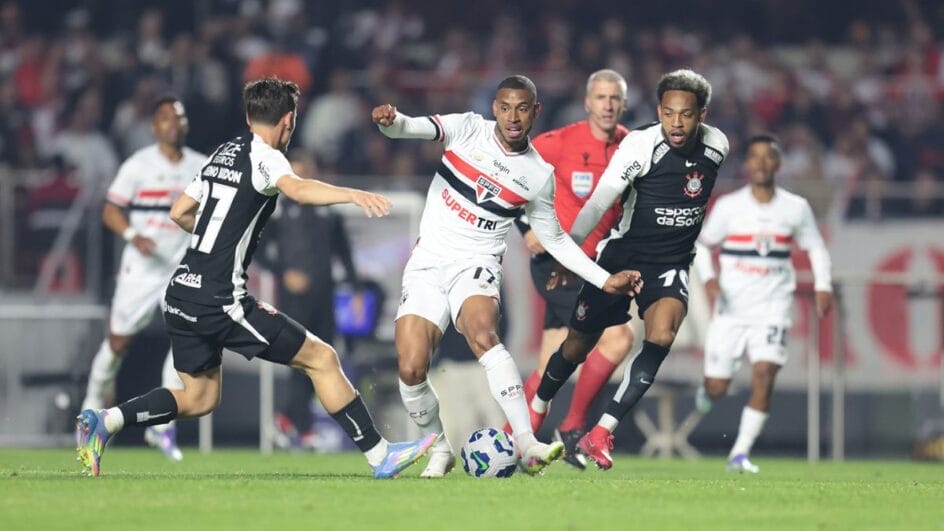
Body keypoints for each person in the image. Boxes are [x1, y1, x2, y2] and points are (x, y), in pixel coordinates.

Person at [75, 78, 437, 478]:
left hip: (181, 292)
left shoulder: (223, 152)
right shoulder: (268, 157)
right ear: (289, 121)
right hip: (220, 300)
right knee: (322, 358)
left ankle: (105, 421)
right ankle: (380, 454)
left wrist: (218, 239)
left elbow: (179, 212)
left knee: (199, 397)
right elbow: (298, 189)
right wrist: (353, 194)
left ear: (249, 118)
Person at [372, 75, 642, 478]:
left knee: (484, 334)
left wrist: (604, 280)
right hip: (427, 263)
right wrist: (390, 121)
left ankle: (527, 443)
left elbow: (556, 240)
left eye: (522, 108)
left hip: (477, 264)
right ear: (494, 109)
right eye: (505, 107)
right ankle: (440, 449)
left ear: (535, 112)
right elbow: (408, 127)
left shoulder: (538, 174)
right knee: (411, 369)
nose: (513, 117)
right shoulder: (466, 129)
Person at [528, 69, 730, 470]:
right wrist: (569, 254)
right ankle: (537, 408)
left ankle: (601, 431)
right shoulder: (638, 146)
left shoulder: (717, 145)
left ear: (702, 115)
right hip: (622, 257)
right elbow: (599, 203)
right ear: (658, 110)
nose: (676, 123)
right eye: (668, 113)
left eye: (686, 114)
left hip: (671, 262)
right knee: (576, 345)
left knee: (662, 334)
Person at [512, 69, 636, 470]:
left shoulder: (632, 146)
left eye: (614, 98)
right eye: (600, 97)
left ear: (623, 104)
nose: (607, 105)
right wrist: (526, 226)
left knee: (552, 360)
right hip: (558, 263)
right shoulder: (560, 142)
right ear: (587, 102)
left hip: (597, 266)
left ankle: (509, 443)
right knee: (618, 338)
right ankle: (574, 427)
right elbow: (512, 171)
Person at [692, 134, 833, 473]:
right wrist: (709, 279)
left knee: (765, 374)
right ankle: (708, 392)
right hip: (731, 310)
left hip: (773, 308)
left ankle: (739, 454)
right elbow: (702, 245)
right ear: (747, 165)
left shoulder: (795, 207)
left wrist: (823, 285)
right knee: (718, 386)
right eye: (754, 156)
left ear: (778, 164)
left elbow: (815, 247)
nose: (761, 163)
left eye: (768, 156)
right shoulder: (730, 207)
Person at [80, 96, 206, 461]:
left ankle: (162, 426)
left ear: (186, 124)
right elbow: (110, 210)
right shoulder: (138, 165)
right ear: (154, 126)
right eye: (165, 118)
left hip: (180, 268)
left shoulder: (201, 165)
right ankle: (90, 407)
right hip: (142, 268)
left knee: (185, 341)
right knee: (118, 343)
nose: (173, 124)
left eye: (178, 117)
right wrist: (133, 236)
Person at [269, 149, 359, 449]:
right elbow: (259, 250)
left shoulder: (327, 208)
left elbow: (343, 250)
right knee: (301, 358)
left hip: (324, 294)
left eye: (306, 169)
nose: (302, 174)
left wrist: (355, 286)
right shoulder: (277, 208)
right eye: (296, 170)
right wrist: (285, 273)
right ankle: (300, 424)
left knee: (324, 357)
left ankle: (290, 418)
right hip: (293, 298)